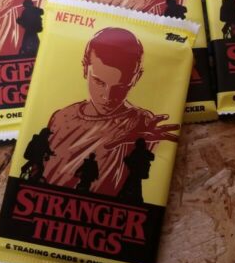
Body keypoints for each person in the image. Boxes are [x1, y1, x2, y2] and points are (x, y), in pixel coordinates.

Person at [43, 28, 178, 197]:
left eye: (121, 87)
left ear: (136, 78)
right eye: (99, 82)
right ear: (85, 68)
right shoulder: (61, 117)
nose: (107, 96)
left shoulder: (140, 123)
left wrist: (140, 144)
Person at [117, 138, 155, 205]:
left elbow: (132, 162)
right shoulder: (143, 152)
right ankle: (136, 200)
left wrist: (127, 160)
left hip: (135, 173)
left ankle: (125, 198)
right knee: (135, 187)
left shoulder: (138, 152)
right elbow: (151, 157)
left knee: (130, 186)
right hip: (137, 174)